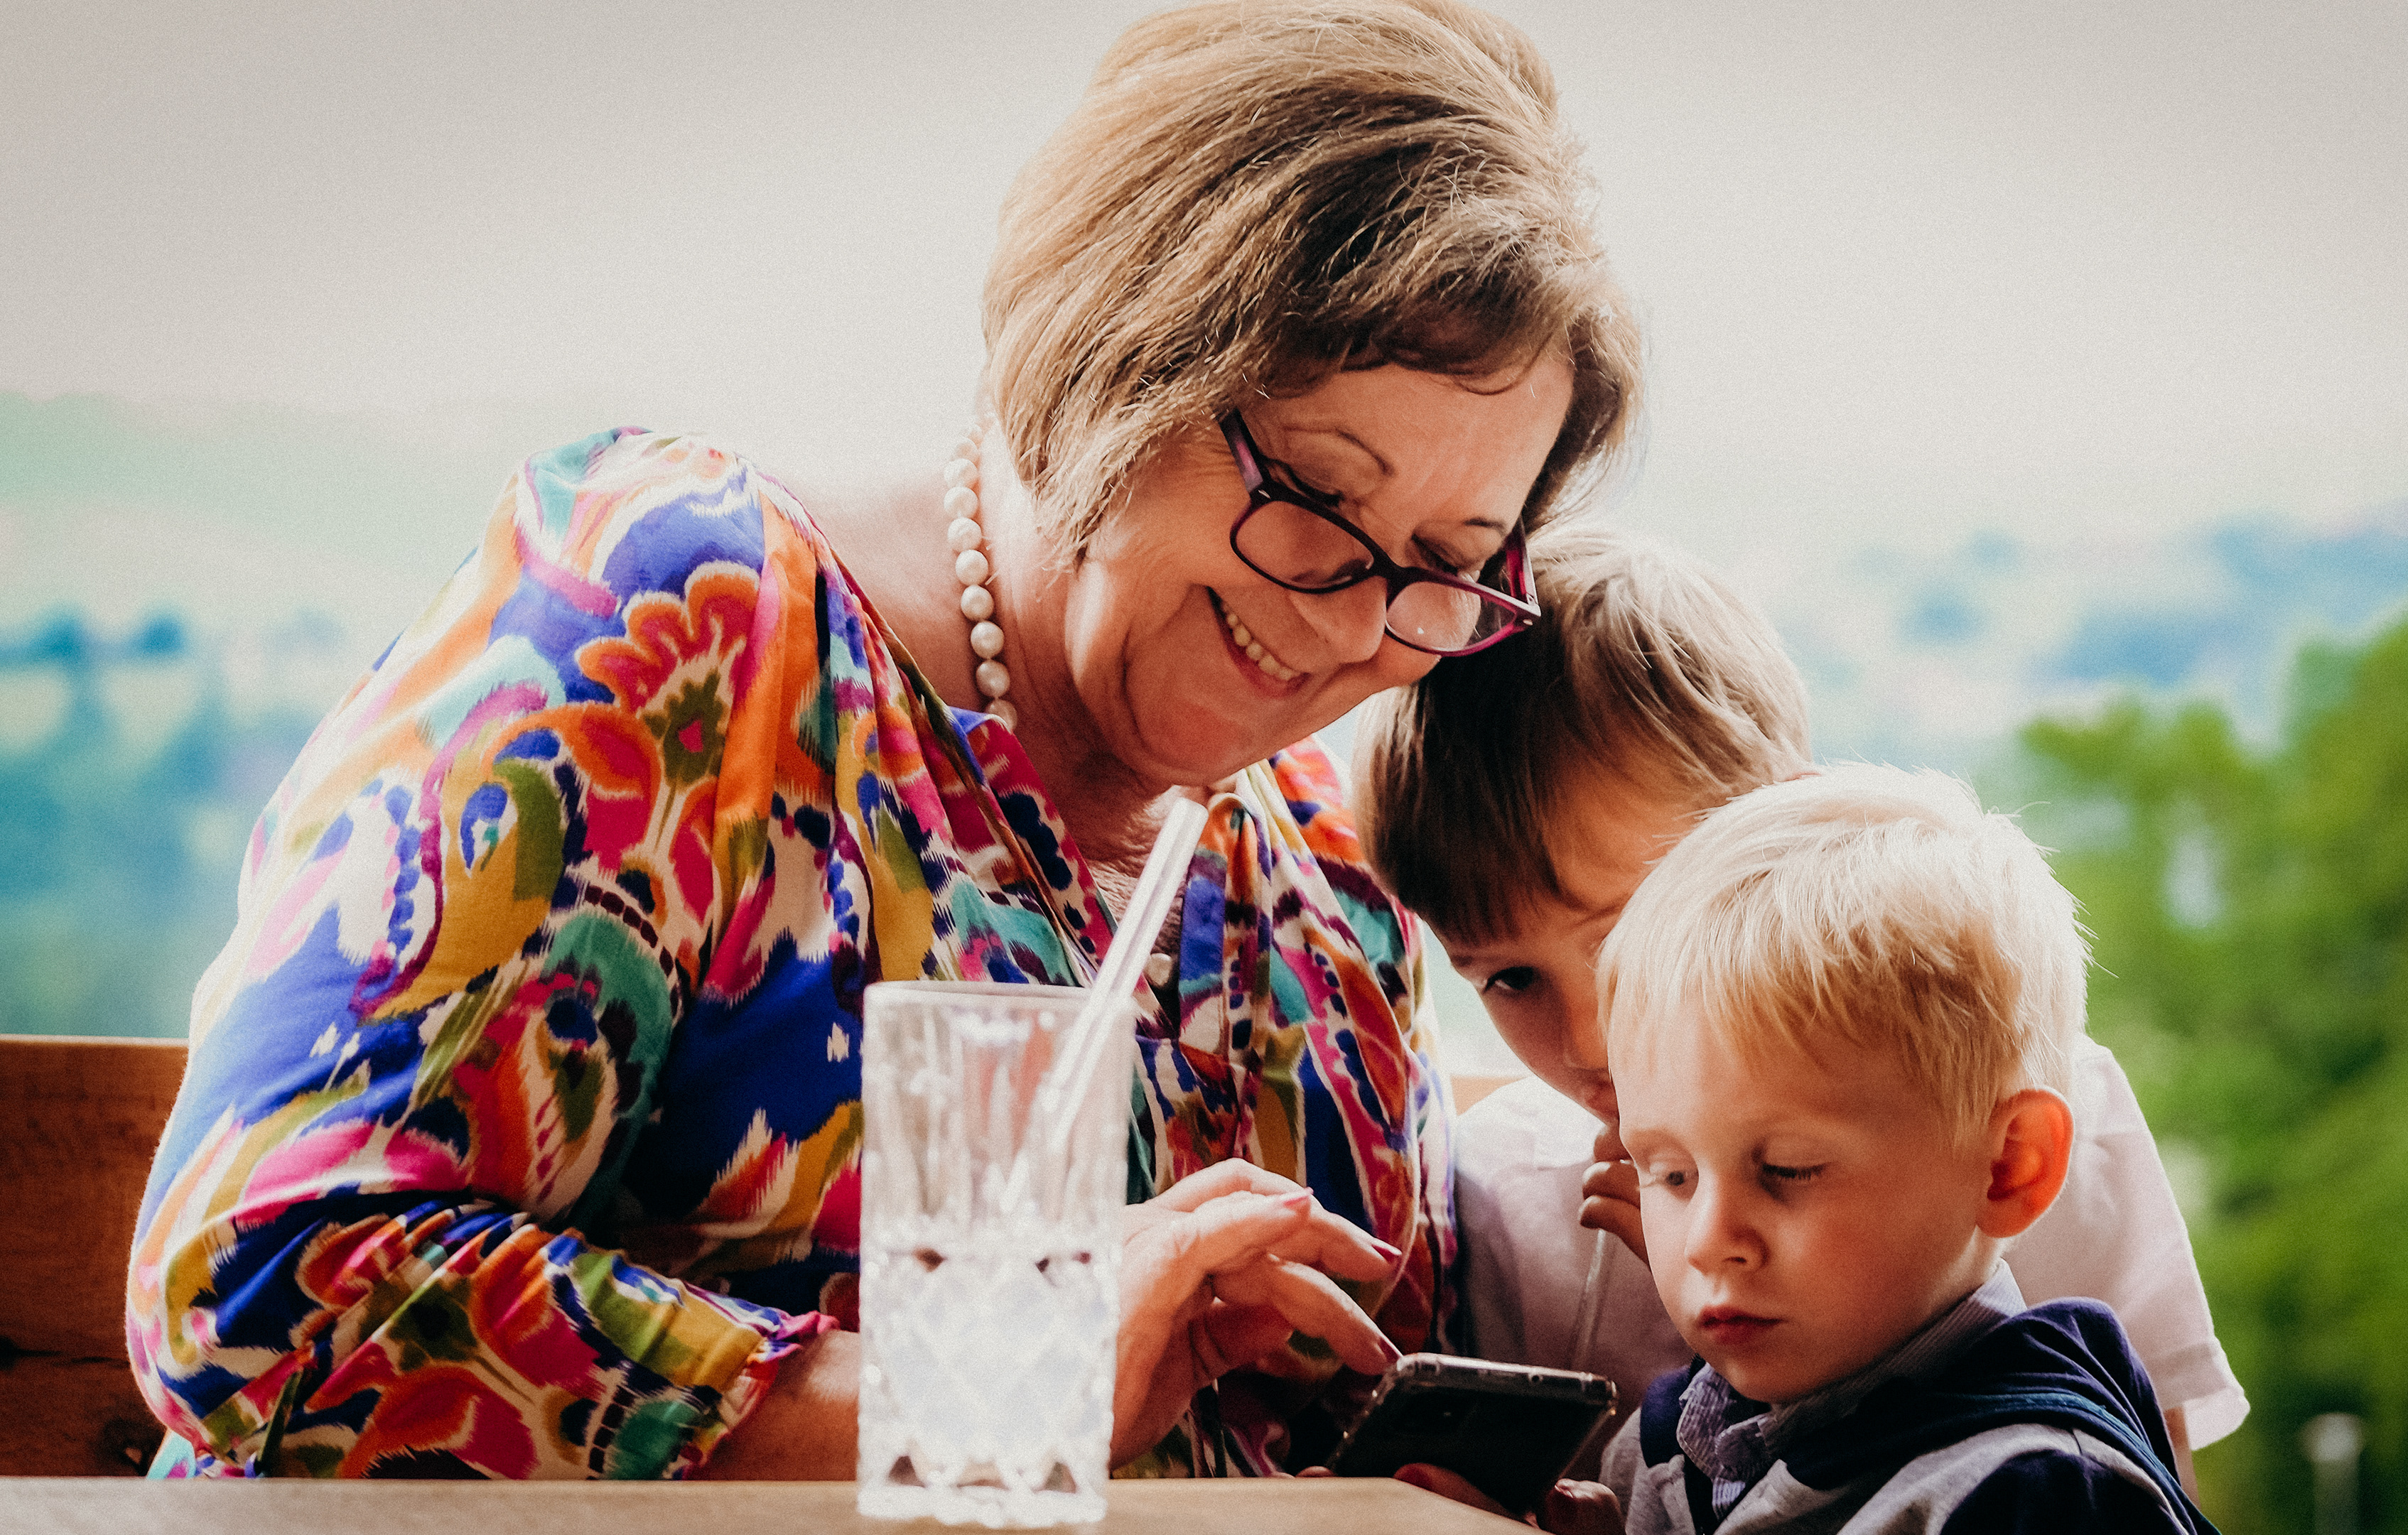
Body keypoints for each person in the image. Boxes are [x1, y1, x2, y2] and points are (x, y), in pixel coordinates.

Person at [123, 0, 1638, 1480]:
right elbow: (257, 1285)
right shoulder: (691, 619)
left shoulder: (1326, 861)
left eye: (1447, 560)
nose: (1351, 618)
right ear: (1119, 347)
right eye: (1315, 492)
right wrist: (982, 1385)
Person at [1352, 527, 2245, 1487]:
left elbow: (2147, 1476)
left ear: (1788, 831)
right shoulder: (1505, 1194)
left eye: (1630, 935)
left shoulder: (2026, 1111)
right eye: (1510, 980)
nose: (1590, 1037)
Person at [1588, 768, 2214, 1533]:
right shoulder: (1662, 1451)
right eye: (1671, 1174)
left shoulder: (2044, 1497)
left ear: (2009, 1165)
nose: (1709, 1239)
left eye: (1788, 1168)